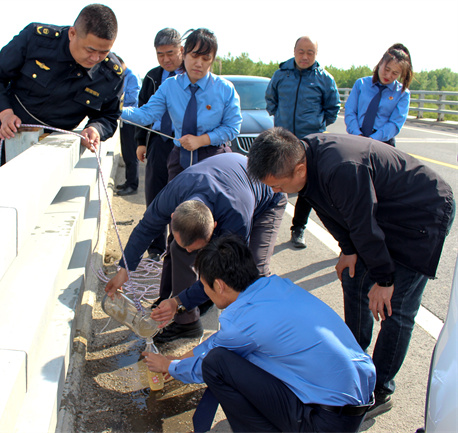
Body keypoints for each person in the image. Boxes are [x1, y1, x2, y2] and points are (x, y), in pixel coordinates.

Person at [247, 127, 454, 419]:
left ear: (300, 169)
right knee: (353, 278)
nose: (275, 192)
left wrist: (384, 280)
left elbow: (363, 226)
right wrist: (348, 249)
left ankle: (379, 390)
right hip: (380, 213)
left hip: (420, 215)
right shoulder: (305, 159)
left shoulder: (341, 168)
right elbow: (329, 210)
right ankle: (352, 363)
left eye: (278, 186)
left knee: (396, 309)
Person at [143, 235, 376, 433]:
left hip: (326, 422)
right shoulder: (276, 287)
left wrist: (170, 366)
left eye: (204, 285)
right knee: (249, 354)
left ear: (220, 285)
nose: (204, 291)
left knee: (217, 364)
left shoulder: (241, 322)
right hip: (356, 402)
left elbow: (213, 359)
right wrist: (181, 359)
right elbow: (223, 341)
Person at [105, 153, 286, 343]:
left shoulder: (236, 218)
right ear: (174, 215)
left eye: (197, 247)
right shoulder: (174, 193)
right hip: (225, 179)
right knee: (178, 249)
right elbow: (145, 228)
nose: (191, 253)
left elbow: (228, 269)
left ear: (215, 226)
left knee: (251, 272)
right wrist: (124, 270)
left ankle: (254, 335)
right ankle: (187, 322)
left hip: (267, 199)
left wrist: (178, 301)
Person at [0, 4, 124, 172]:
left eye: (104, 52)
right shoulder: (36, 40)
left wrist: (95, 129)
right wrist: (5, 113)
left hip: (53, 149)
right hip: (8, 136)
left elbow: (109, 115)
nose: (95, 58)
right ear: (72, 33)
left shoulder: (111, 74)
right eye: (90, 50)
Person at [121, 28, 241, 181]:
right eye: (194, 56)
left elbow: (232, 127)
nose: (199, 63)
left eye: (206, 58)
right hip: (179, 158)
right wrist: (114, 110)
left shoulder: (225, 89)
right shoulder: (170, 86)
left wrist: (201, 140)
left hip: (214, 159)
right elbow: (146, 114)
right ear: (184, 54)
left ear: (213, 60)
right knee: (175, 203)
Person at [265, 36, 340, 249]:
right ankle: (265, 225)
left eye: (310, 52)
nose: (305, 56)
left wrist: (317, 124)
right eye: (301, 51)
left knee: (306, 186)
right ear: (294, 50)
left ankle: (298, 228)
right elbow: (271, 100)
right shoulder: (281, 74)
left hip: (310, 142)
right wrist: (279, 117)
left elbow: (332, 108)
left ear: (316, 54)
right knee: (275, 181)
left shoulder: (324, 78)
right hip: (283, 139)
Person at [135, 28, 184, 260]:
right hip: (157, 142)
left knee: (181, 198)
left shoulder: (191, 76)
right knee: (154, 197)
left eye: (171, 53)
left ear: (181, 50)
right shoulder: (152, 77)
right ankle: (155, 249)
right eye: (160, 54)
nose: (165, 59)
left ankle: (179, 248)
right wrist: (140, 142)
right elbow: (142, 110)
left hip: (183, 145)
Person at [344, 44, 413, 146]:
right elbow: (350, 111)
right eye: (387, 69)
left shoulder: (402, 94)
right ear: (380, 63)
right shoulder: (361, 84)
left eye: (395, 73)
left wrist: (372, 139)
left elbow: (395, 123)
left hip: (382, 143)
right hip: (356, 138)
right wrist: (357, 135)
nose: (388, 75)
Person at [112, 54, 141, 197]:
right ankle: (128, 181)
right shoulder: (122, 76)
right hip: (124, 119)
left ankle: (132, 185)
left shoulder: (132, 76)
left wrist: (117, 96)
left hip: (131, 120)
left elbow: (133, 98)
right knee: (126, 152)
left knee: (131, 153)